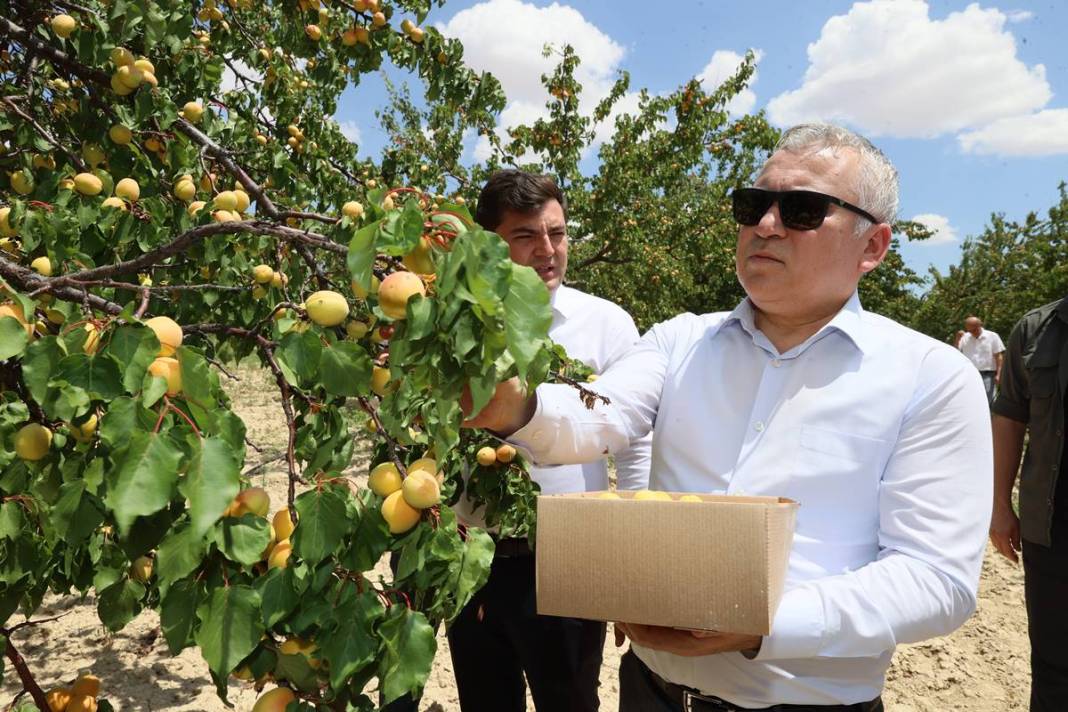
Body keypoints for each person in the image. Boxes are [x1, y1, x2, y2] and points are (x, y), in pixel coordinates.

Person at [465, 123, 993, 711]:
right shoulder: (679, 342)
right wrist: (516, 406)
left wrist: (761, 625)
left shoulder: (932, 378)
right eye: (753, 205)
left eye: (801, 209)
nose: (766, 225)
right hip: (651, 692)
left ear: (872, 246)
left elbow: (935, 580)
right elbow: (598, 417)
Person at [449, 170, 651, 712]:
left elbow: (635, 446)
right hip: (471, 557)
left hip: (568, 556)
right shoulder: (451, 322)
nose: (548, 251)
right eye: (525, 236)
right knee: (485, 701)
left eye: (557, 233)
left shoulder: (605, 325)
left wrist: (632, 572)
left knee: (569, 700)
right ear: (488, 243)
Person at [990, 297, 1068, 711]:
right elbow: (1009, 416)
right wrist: (1000, 505)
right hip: (1051, 523)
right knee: (1054, 661)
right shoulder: (1037, 328)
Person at [957, 315, 1006, 403]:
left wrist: (999, 374)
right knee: (970, 399)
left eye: (974, 330)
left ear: (980, 325)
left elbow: (998, 356)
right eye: (970, 330)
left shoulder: (992, 336)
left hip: (987, 374)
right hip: (969, 373)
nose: (972, 332)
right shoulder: (965, 337)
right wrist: (957, 338)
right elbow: (956, 352)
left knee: (987, 399)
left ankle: (989, 416)